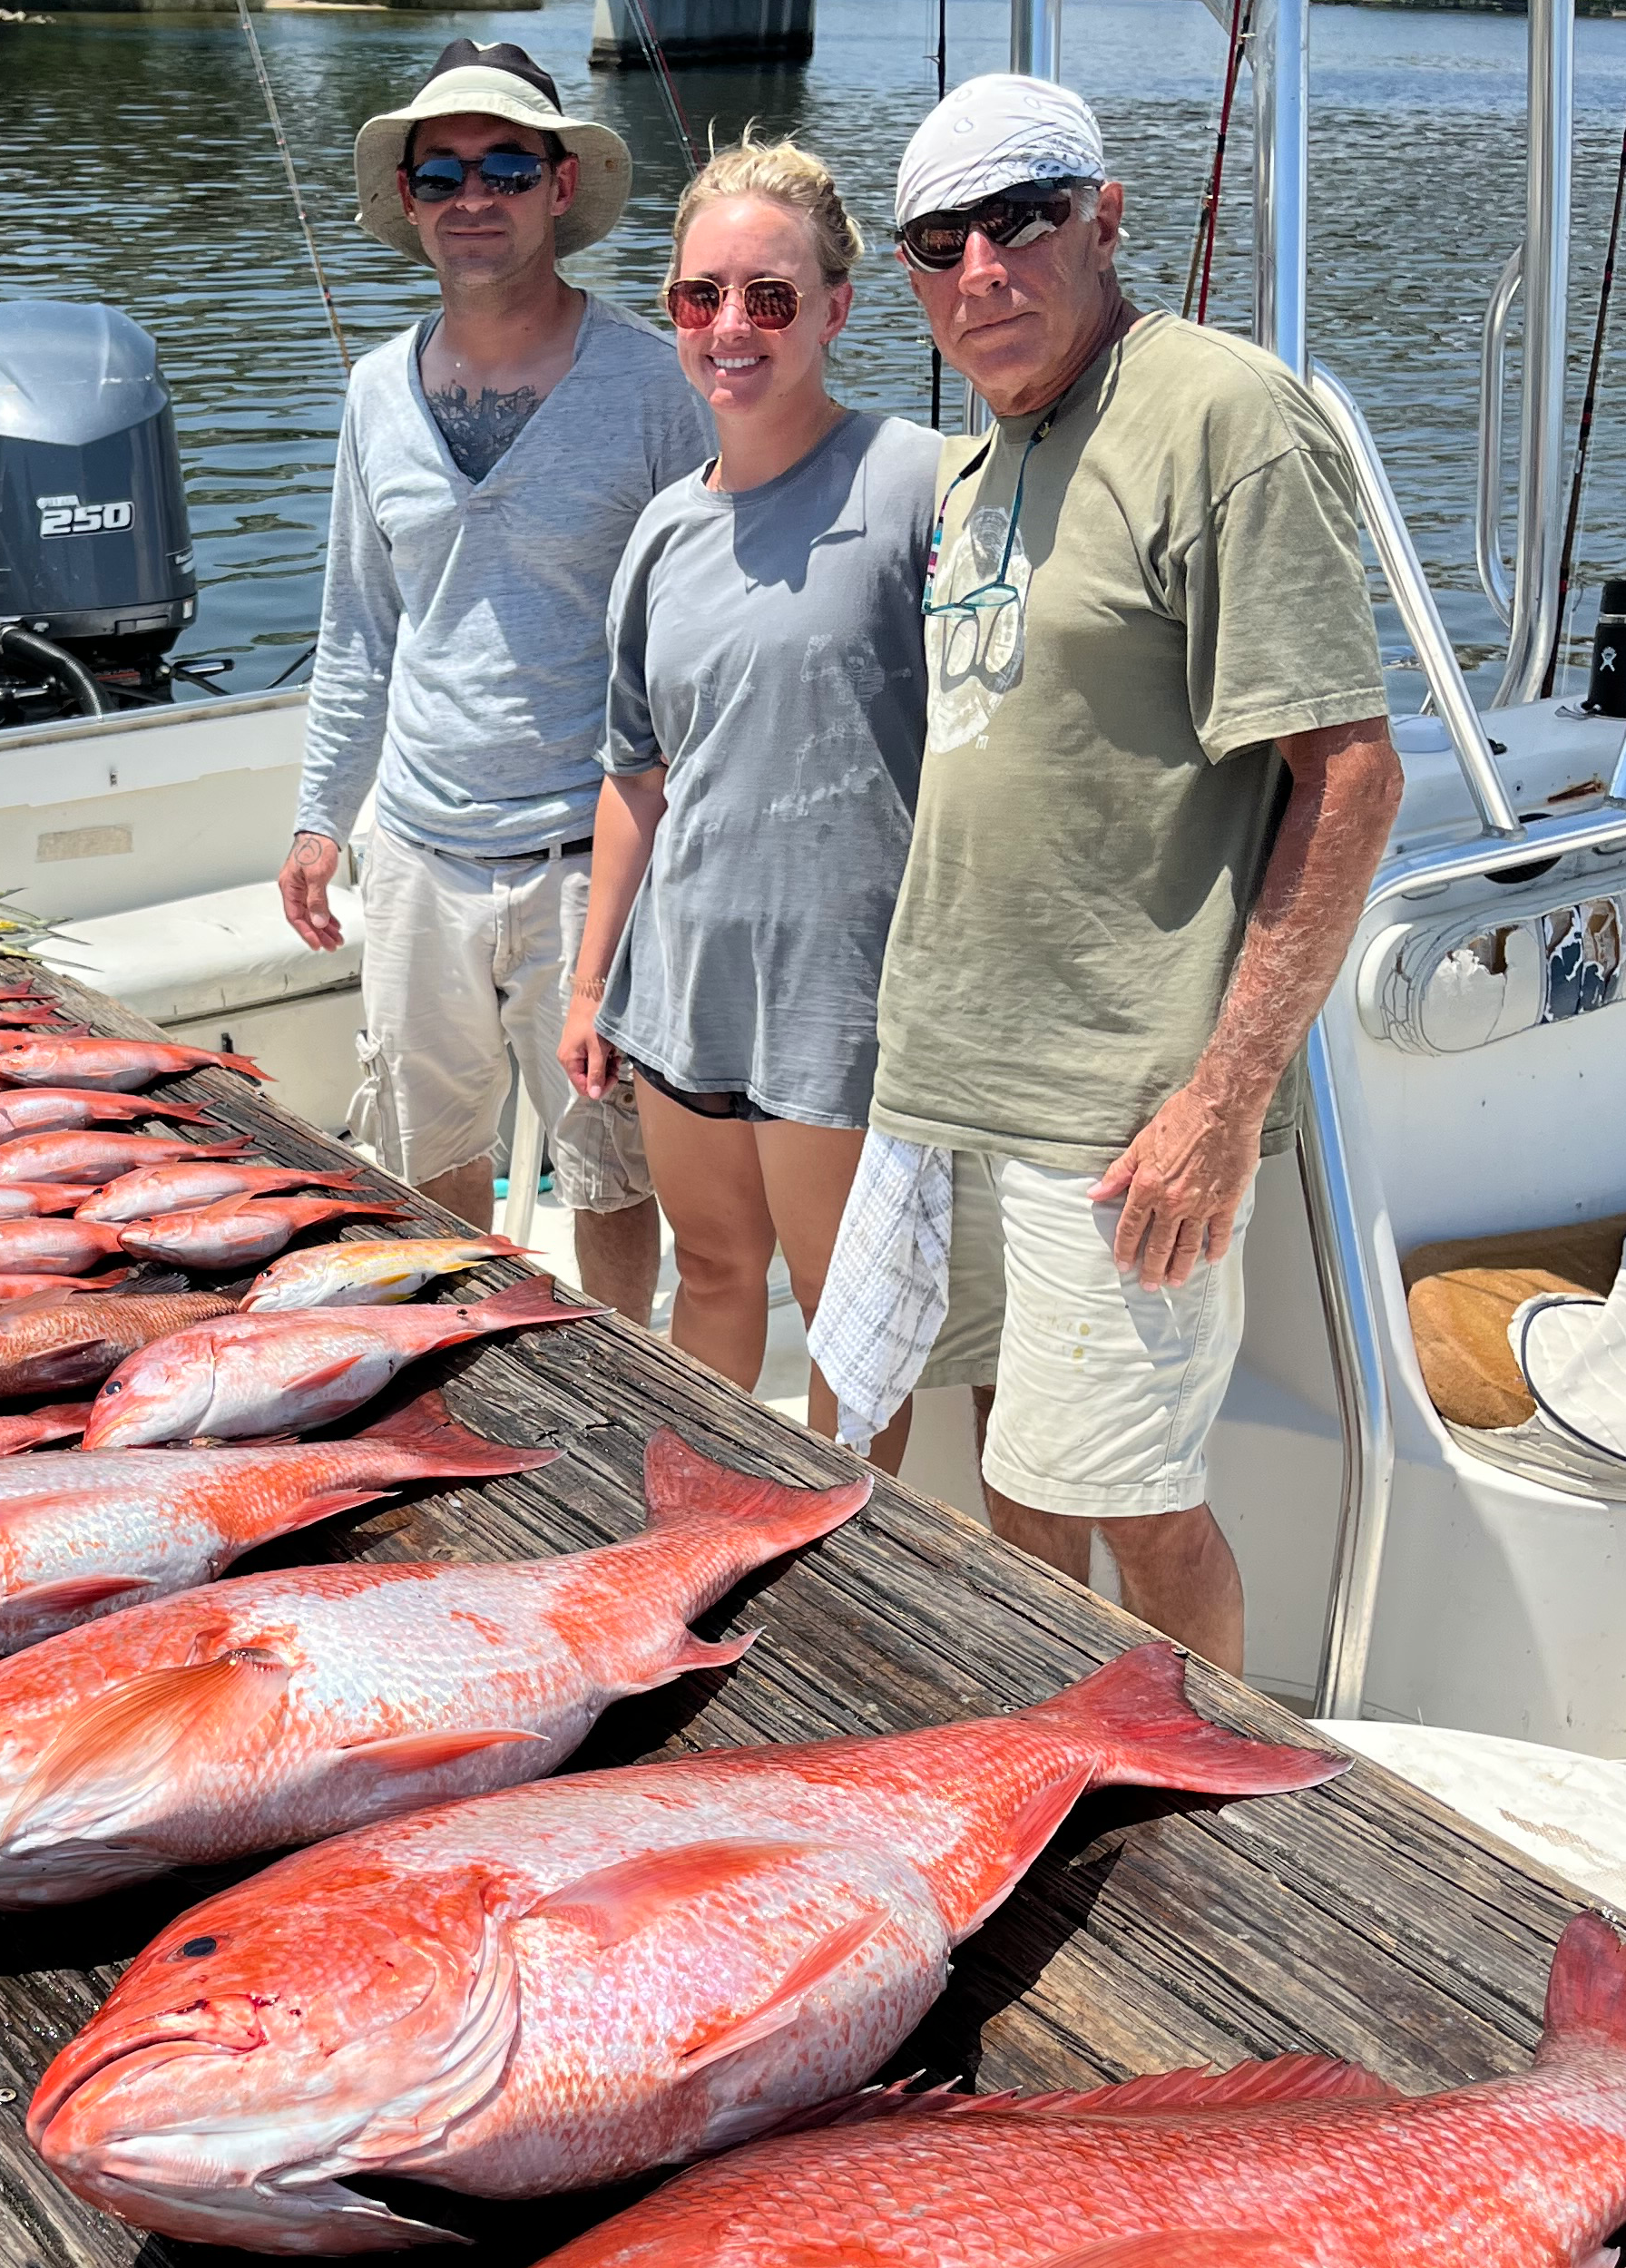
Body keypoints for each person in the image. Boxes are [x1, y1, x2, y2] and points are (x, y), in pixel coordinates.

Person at [809, 73, 1403, 1671]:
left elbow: (1349, 777)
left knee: (1139, 1503)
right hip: (950, 1078)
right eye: (941, 242)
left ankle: (1204, 1789)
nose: (982, 269)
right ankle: (1065, 1728)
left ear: (1105, 216)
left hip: (1113, 1106)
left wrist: (1220, 1106)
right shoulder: (974, 460)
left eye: (1023, 218)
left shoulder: (1219, 412)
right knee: (1016, 1473)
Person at [279, 39, 714, 1322]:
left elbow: (703, 627)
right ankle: (457, 1357)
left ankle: (632, 1381)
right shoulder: (374, 391)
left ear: (561, 185)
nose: (477, 196)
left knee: (611, 1175)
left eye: (508, 166)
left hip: (593, 853)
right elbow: (360, 622)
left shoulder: (656, 382)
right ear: (409, 199)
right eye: (446, 172)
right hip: (414, 849)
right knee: (428, 1163)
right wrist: (319, 815)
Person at [557, 132, 934, 1457]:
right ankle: (699, 1515)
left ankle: (848, 1572)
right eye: (700, 296)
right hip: (685, 985)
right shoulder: (661, 529)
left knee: (849, 1317)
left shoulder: (918, 485)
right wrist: (592, 978)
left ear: (837, 307)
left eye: (770, 298)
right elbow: (637, 774)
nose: (732, 327)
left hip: (846, 999)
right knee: (709, 1280)